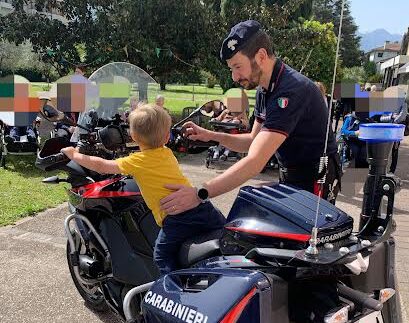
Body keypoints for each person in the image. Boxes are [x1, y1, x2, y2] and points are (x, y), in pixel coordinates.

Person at [160, 20, 341, 216]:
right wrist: (211, 135)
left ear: (261, 56)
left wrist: (199, 193)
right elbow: (253, 141)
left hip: (315, 178)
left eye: (238, 66)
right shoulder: (265, 89)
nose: (234, 77)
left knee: (298, 240)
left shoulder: (290, 91)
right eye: (231, 69)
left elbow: (256, 160)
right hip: (291, 172)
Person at [60, 104, 225, 275]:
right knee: (225, 231)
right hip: (200, 206)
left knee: (162, 257)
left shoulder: (136, 162)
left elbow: (102, 166)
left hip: (176, 218)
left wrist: (74, 154)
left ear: (132, 136)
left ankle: (173, 288)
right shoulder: (166, 152)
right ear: (167, 137)